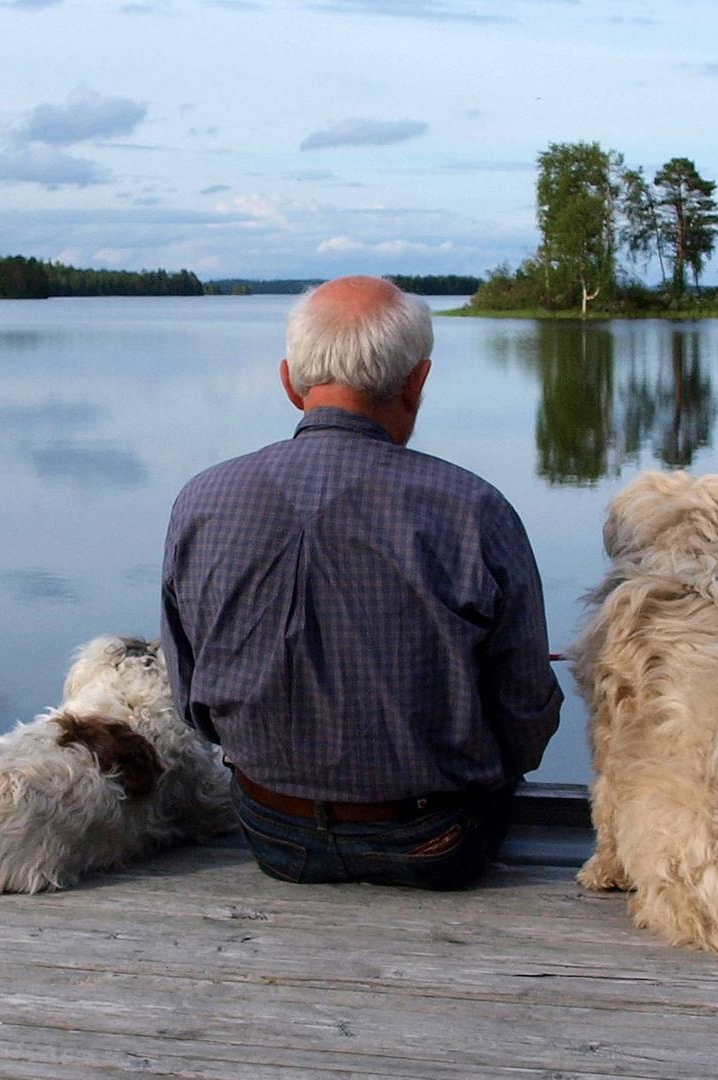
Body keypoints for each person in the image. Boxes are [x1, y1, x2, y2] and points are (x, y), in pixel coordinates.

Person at [160, 275, 562, 890]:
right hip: (438, 842)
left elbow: (191, 695)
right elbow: (527, 710)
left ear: (291, 383)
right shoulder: (472, 509)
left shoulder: (200, 501)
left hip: (272, 833)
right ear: (416, 381)